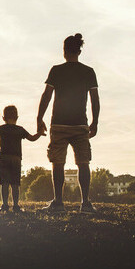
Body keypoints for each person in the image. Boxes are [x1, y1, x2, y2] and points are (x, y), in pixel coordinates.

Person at [37, 33, 100, 213]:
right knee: (83, 162)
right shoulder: (88, 71)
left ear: (64, 51)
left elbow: (46, 96)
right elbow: (95, 99)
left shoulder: (56, 70)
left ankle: (58, 202)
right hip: (81, 124)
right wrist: (95, 122)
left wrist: (39, 118)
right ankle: (86, 203)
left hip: (59, 124)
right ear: (79, 51)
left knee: (58, 163)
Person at [0, 105, 44, 212]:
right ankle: (16, 205)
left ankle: (5, 205)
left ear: (3, 118)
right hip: (16, 159)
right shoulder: (20, 130)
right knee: (15, 184)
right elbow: (32, 138)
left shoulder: (1, 128)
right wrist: (40, 133)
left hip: (4, 158)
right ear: (17, 117)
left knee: (4, 183)